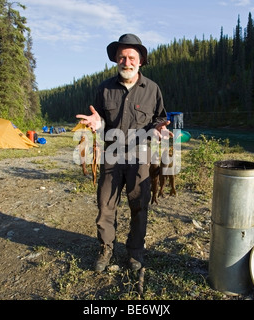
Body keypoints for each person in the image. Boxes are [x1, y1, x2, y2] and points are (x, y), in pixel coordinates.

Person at [76, 33, 172, 272]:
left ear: (140, 61)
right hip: (111, 155)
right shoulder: (105, 88)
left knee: (139, 204)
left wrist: (158, 128)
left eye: (131, 57)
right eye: (121, 57)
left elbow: (160, 117)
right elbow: (98, 119)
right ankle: (106, 248)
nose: (126, 62)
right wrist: (97, 125)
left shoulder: (152, 89)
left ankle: (135, 252)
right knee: (106, 204)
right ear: (116, 60)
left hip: (141, 156)